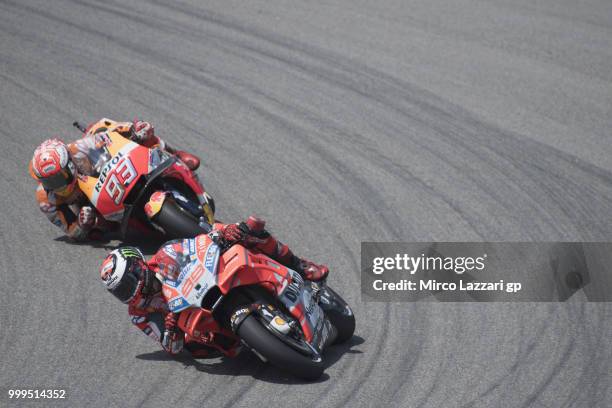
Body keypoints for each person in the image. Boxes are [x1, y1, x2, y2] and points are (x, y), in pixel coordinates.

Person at [99, 216, 329, 356]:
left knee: (248, 235)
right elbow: (172, 348)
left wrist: (222, 235)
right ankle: (252, 340)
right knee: (197, 348)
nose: (128, 293)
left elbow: (197, 244)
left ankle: (300, 265)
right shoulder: (139, 314)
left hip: (210, 281)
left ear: (139, 267)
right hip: (199, 320)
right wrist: (171, 329)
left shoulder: (164, 255)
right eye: (120, 292)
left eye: (127, 284)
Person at [29, 118, 200, 241]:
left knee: (105, 127)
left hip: (111, 173)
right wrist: (82, 224)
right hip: (96, 209)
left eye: (58, 178)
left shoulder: (79, 149)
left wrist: (134, 130)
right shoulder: (46, 199)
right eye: (48, 181)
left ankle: (175, 153)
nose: (55, 185)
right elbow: (70, 230)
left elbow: (111, 136)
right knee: (98, 233)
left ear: (69, 166)